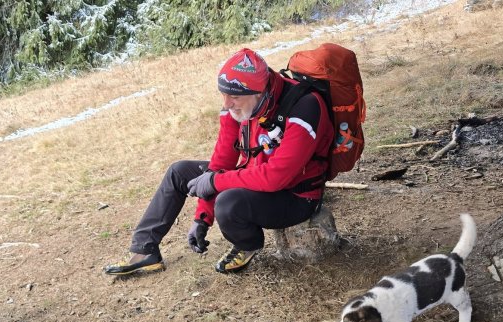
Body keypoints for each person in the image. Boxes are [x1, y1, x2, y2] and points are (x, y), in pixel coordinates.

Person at [104, 48, 334, 276]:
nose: (226, 104)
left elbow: (276, 177)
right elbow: (223, 158)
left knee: (228, 202)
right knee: (179, 172)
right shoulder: (242, 106)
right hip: (255, 176)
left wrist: (216, 182)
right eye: (224, 95)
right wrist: (203, 217)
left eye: (234, 97)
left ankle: (248, 244)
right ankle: (144, 251)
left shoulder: (304, 107)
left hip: (295, 196)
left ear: (260, 91)